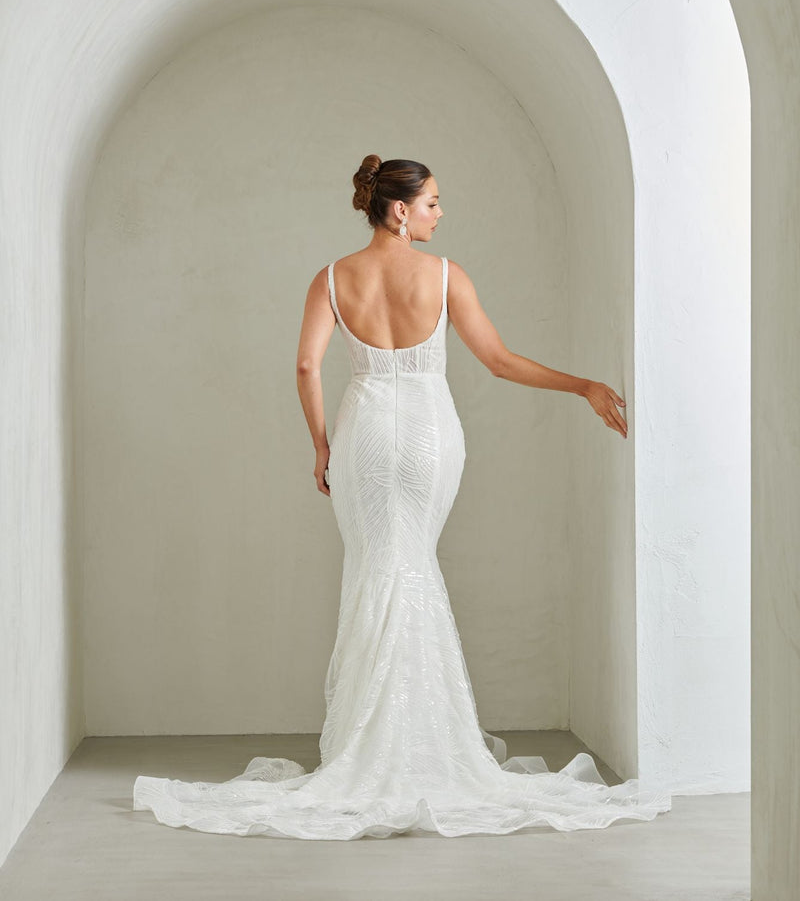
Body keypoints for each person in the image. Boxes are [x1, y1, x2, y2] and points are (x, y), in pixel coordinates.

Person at [132, 155, 671, 839]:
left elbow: (306, 365)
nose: (440, 213)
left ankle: (369, 746)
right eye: (433, 203)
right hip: (428, 435)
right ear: (399, 210)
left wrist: (321, 445)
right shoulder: (445, 277)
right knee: (410, 565)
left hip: (361, 435)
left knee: (377, 570)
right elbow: (499, 360)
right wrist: (583, 386)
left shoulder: (332, 278)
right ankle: (419, 744)